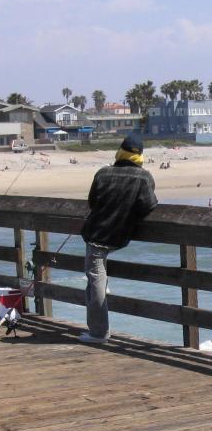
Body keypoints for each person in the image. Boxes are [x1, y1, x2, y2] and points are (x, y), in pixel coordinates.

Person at [80, 134, 158, 343]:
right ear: (140, 156)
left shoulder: (102, 173)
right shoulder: (144, 177)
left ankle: (98, 333)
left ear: (120, 151)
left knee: (95, 282)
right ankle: (98, 328)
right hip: (120, 236)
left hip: (96, 236)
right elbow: (149, 205)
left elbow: (92, 202)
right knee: (97, 281)